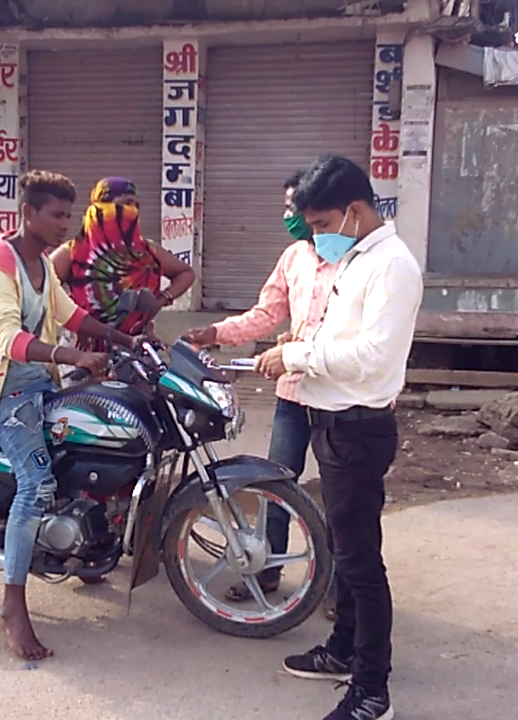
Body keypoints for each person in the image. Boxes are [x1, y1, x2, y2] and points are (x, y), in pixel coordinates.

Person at [255, 154, 422, 720]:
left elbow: (374, 358)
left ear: (354, 210)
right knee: (347, 552)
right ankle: (344, 650)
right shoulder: (353, 258)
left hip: (359, 429)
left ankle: (372, 692)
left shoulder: (391, 266)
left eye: (322, 224)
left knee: (360, 563)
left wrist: (295, 355)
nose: (316, 237)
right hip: (330, 424)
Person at [0, 170, 142, 661]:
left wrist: (126, 341)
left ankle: (83, 547)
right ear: (28, 213)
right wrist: (74, 357)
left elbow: (71, 313)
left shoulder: (39, 264)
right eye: (56, 215)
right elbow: (9, 340)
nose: (64, 225)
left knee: (90, 443)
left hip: (37, 385)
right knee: (36, 484)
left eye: (68, 215)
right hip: (2, 395)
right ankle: (11, 607)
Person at [183, 170, 335, 608]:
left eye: (294, 208)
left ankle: (343, 587)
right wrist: (214, 332)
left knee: (339, 497)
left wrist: (297, 342)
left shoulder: (353, 263)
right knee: (273, 485)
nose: (289, 216)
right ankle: (266, 569)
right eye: (287, 207)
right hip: (293, 394)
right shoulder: (293, 259)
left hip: (337, 399)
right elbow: (265, 315)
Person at [50, 176, 196, 352]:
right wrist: (73, 319)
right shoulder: (72, 253)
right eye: (126, 203)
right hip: (83, 354)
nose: (132, 211)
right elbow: (40, 290)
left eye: (136, 206)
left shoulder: (146, 251)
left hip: (134, 351)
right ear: (100, 208)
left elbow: (186, 273)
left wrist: (160, 301)